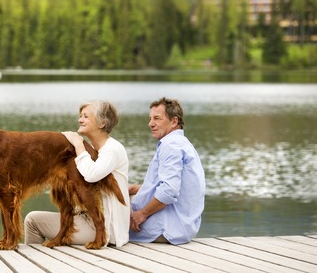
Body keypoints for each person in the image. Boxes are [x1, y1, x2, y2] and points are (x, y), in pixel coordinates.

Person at [24, 100, 130, 247]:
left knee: (32, 222)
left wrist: (78, 144)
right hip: (84, 219)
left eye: (86, 116)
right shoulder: (93, 149)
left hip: (105, 228)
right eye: (80, 116)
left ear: (102, 123)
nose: (80, 120)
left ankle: (31, 263)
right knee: (33, 217)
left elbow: (91, 174)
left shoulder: (113, 149)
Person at [129, 97, 205, 245]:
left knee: (109, 219)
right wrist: (139, 188)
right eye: (150, 119)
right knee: (126, 195)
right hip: (184, 226)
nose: (150, 124)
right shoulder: (182, 143)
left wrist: (142, 215)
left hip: (167, 228)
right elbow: (179, 186)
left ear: (174, 122)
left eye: (157, 118)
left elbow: (169, 190)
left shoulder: (170, 146)